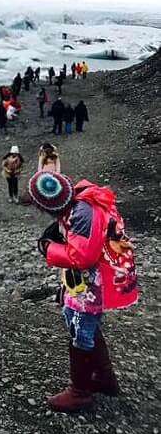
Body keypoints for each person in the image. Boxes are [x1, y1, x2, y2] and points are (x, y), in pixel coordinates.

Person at [28, 171, 138, 412]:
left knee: (81, 326)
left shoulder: (82, 213)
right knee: (83, 320)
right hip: (102, 273)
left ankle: (80, 391)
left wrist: (50, 248)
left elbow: (83, 256)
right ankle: (104, 379)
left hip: (95, 280)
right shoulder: (85, 201)